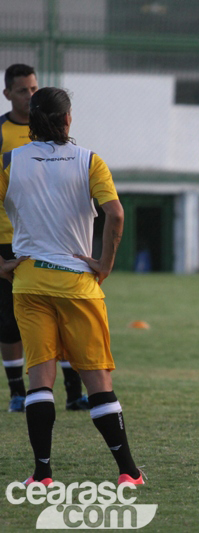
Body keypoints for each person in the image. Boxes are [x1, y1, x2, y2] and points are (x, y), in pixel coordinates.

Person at [0, 87, 142, 485]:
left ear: (30, 121)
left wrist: (1, 263)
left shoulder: (10, 161)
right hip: (78, 285)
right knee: (98, 381)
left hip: (28, 283)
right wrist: (105, 263)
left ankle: (42, 474)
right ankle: (128, 472)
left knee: (39, 379)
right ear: (68, 120)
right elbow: (115, 214)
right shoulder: (89, 161)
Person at [2, 63, 89, 413]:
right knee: (10, 323)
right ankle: (16, 392)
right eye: (22, 90)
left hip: (54, 240)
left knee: (61, 315)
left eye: (34, 88)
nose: (30, 95)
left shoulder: (65, 143)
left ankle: (73, 392)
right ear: (8, 94)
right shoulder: (5, 136)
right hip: (10, 240)